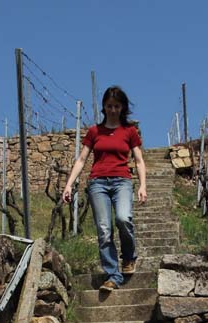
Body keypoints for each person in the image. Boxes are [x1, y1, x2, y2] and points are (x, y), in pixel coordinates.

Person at [62, 86, 147, 291]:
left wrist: (143, 185)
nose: (113, 110)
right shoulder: (94, 132)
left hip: (122, 181)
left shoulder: (129, 132)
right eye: (109, 106)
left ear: (123, 107)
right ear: (104, 107)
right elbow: (82, 159)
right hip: (98, 182)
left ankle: (128, 257)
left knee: (123, 218)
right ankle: (112, 275)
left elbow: (139, 160)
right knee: (104, 230)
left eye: (117, 106)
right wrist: (69, 184)